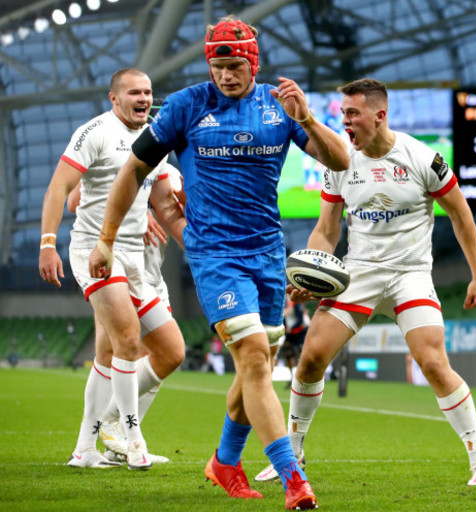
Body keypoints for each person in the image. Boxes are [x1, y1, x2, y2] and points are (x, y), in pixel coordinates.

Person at [87, 16, 349, 510]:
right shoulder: (186, 105)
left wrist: (309, 119)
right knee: (253, 357)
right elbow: (132, 171)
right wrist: (104, 239)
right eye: (217, 66)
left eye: (234, 66)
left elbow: (341, 162)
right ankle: (294, 479)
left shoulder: (278, 105)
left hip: (267, 255)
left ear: (253, 62)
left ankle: (224, 462)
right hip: (214, 255)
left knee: (259, 365)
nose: (225, 76)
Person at [255, 78, 476, 487]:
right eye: (342, 113)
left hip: (410, 275)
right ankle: (293, 457)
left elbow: (460, 214)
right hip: (359, 274)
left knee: (434, 364)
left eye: (352, 114)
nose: (344, 121)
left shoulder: (423, 157)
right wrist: (312, 269)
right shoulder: (340, 163)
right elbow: (327, 228)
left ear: (379, 115)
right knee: (311, 358)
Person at [38, 68, 186, 470]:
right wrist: (48, 244)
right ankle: (132, 439)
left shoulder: (156, 139)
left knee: (170, 351)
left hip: (135, 259)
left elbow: (165, 204)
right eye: (134, 92)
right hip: (94, 251)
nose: (143, 99)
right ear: (114, 98)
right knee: (126, 340)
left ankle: (85, 450)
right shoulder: (95, 133)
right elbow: (60, 189)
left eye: (148, 92)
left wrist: (197, 245)